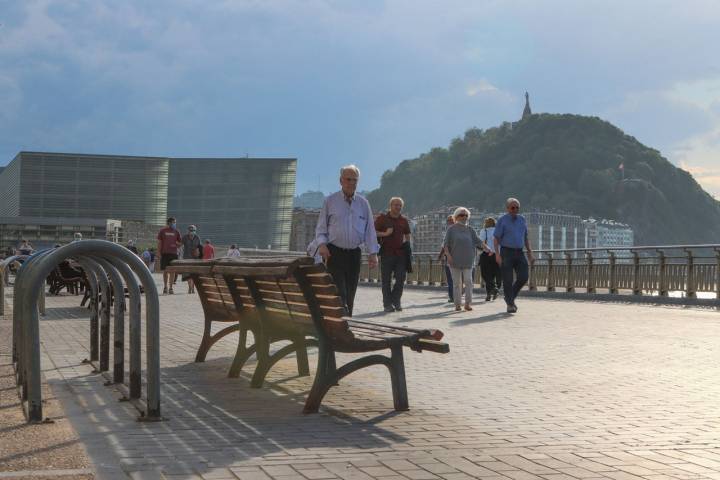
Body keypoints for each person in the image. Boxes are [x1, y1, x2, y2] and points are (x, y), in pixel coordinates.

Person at [315, 165, 379, 316]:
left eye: (354, 180)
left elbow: (370, 230)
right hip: (334, 253)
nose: (351, 183)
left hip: (354, 255)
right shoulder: (330, 201)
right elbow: (321, 228)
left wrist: (373, 253)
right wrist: (322, 244)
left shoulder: (363, 204)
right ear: (341, 181)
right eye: (348, 179)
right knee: (339, 292)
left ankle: (347, 322)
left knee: (351, 292)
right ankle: (340, 322)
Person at [494, 197, 535, 313]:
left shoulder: (522, 219)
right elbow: (496, 238)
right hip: (506, 252)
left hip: (519, 252)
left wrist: (530, 253)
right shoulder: (502, 220)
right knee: (507, 279)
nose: (515, 209)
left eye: (517, 207)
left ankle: (509, 297)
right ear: (507, 208)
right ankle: (510, 304)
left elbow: (525, 237)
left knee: (523, 277)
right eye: (513, 207)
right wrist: (497, 254)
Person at [374, 197, 411, 312]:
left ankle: (396, 300)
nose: (398, 207)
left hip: (401, 254)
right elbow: (372, 231)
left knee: (401, 278)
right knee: (386, 280)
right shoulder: (382, 218)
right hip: (386, 253)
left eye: (400, 205)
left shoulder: (403, 220)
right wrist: (385, 233)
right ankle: (387, 304)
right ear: (390, 205)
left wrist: (408, 246)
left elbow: (407, 234)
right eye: (396, 205)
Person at [443, 207, 483, 312]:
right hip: (454, 260)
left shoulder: (470, 229)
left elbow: (478, 241)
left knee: (469, 281)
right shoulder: (451, 229)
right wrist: (449, 256)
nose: (464, 217)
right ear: (456, 217)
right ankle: (457, 304)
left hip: (468, 260)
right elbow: (445, 245)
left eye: (466, 215)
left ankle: (467, 303)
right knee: (457, 283)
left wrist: (488, 248)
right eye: (461, 215)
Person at [479, 217, 502, 301]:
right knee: (495, 274)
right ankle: (494, 290)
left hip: (487, 254)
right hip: (497, 255)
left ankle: (491, 292)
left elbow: (481, 243)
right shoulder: (498, 231)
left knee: (486, 274)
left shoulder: (484, 231)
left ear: (486, 223)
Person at [157, 217, 182, 294]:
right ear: (169, 223)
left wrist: (177, 245)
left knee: (172, 271)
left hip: (174, 254)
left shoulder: (177, 231)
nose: (174, 224)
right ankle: (165, 287)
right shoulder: (162, 231)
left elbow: (180, 243)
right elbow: (159, 242)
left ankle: (171, 288)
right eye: (173, 222)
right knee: (165, 271)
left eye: (175, 222)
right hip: (165, 253)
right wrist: (158, 252)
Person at [437, 215, 455, 303]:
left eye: (451, 220)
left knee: (451, 279)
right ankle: (455, 295)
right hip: (456, 258)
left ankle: (452, 296)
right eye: (448, 220)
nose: (449, 222)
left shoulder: (449, 231)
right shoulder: (461, 230)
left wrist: (440, 257)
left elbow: (444, 246)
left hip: (450, 259)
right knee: (455, 278)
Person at [181, 225, 202, 293]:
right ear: (188, 231)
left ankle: (192, 287)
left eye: (193, 230)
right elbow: (180, 245)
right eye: (190, 230)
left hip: (195, 259)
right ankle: (190, 287)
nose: (191, 232)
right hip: (186, 258)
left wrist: (199, 255)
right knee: (187, 274)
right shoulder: (184, 237)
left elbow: (200, 247)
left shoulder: (197, 237)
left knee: (194, 274)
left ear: (195, 231)